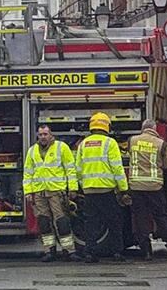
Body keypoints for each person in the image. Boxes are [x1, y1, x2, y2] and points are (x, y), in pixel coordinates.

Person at [75, 112, 129, 263]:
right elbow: (117, 168)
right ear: (107, 126)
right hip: (106, 190)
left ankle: (90, 253)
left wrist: (83, 186)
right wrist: (123, 189)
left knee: (91, 223)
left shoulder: (83, 144)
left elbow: (78, 169)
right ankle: (117, 252)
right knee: (114, 221)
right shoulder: (110, 143)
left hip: (89, 191)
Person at [126, 120, 167, 260]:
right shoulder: (161, 144)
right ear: (154, 129)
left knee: (140, 219)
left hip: (136, 186)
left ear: (142, 128)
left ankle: (146, 252)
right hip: (154, 186)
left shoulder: (132, 141)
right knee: (161, 217)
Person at [23, 125, 78, 261]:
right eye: (41, 134)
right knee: (44, 223)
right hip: (39, 193)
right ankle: (49, 251)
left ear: (51, 135)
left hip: (56, 192)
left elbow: (70, 169)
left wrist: (72, 188)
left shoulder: (61, 147)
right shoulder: (32, 151)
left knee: (62, 222)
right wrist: (28, 192)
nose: (43, 137)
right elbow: (28, 173)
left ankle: (69, 251)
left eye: (45, 134)